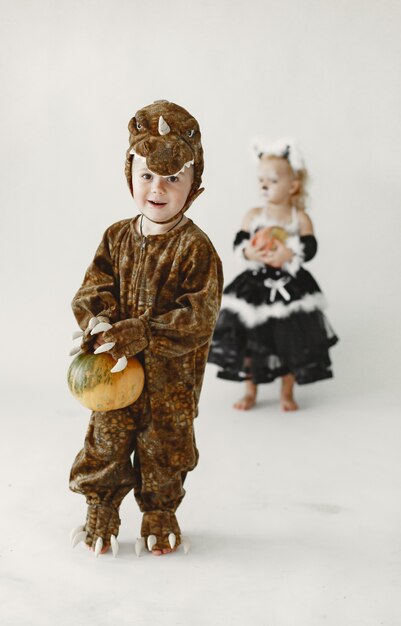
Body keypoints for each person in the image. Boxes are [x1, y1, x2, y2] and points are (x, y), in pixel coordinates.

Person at [68, 100, 223, 557]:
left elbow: (200, 315)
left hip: (171, 383)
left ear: (193, 186)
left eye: (174, 178)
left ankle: (160, 514)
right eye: (148, 175)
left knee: (165, 446)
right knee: (106, 440)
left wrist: (147, 332)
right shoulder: (116, 237)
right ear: (130, 176)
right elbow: (92, 289)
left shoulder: (196, 248)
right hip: (114, 373)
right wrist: (98, 323)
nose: (159, 188)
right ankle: (101, 512)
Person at [208, 138, 337, 412]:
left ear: (292, 185)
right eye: (261, 180)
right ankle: (250, 391)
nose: (264, 185)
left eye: (273, 180)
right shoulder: (254, 215)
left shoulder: (298, 217)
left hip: (289, 286)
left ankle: (287, 392)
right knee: (249, 341)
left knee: (290, 341)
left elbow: (310, 247)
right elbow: (239, 244)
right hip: (254, 285)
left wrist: (287, 253)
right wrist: (251, 253)